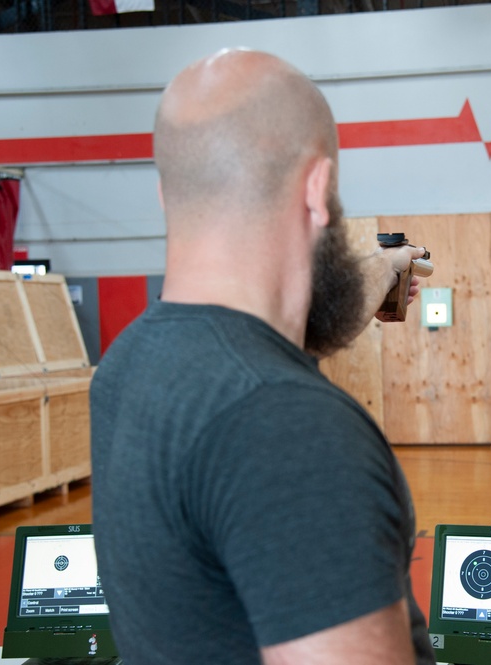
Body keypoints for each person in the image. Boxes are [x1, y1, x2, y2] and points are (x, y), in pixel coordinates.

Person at [90, 47, 436, 665]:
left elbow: (268, 340)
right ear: (318, 188)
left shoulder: (130, 364)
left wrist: (386, 265)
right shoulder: (287, 427)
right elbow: (265, 383)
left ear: (169, 195)